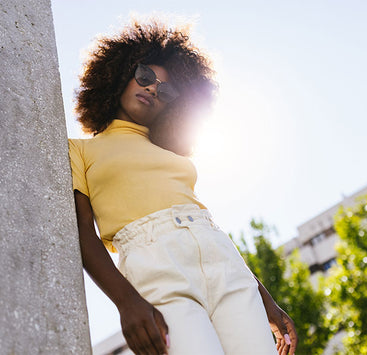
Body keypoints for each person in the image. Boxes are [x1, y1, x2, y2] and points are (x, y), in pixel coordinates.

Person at [69, 18, 298, 355]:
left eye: (166, 90)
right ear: (119, 74)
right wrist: (127, 302)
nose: (152, 89)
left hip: (222, 261)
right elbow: (83, 234)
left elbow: (205, 224)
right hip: (154, 263)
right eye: (145, 76)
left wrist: (265, 298)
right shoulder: (81, 150)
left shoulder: (169, 154)